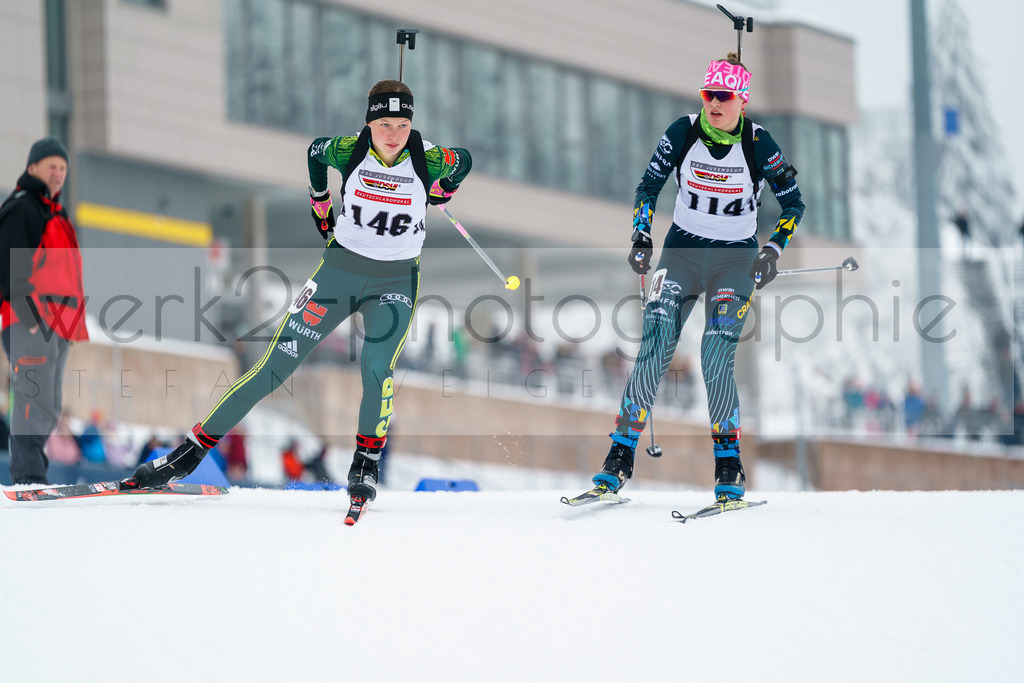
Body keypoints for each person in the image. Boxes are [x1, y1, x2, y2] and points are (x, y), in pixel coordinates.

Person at [120, 80, 472, 506]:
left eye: (401, 124)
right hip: (339, 273)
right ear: (369, 122)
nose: (393, 134)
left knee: (377, 368)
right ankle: (187, 455)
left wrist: (443, 189)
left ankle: (365, 464)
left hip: (393, 282)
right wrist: (320, 200)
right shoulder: (350, 150)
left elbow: (464, 161)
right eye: (384, 124)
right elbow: (315, 152)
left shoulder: (428, 157)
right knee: (274, 367)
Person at [592, 53, 804, 501]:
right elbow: (648, 187)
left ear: (741, 100)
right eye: (708, 94)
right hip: (683, 253)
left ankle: (729, 465)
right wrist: (641, 234)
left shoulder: (760, 144)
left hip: (735, 260)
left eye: (724, 96)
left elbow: (794, 204)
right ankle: (619, 456)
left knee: (714, 353)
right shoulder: (683, 132)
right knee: (656, 340)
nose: (714, 104)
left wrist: (772, 250)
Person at [0, 137, 88, 485]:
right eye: (51, 165)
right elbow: (7, 263)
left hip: (58, 325)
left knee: (49, 406)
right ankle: (27, 477)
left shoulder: (55, 212)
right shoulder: (24, 207)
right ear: (32, 167)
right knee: (31, 397)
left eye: (63, 168)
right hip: (31, 321)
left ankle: (34, 477)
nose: (57, 173)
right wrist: (29, 317)